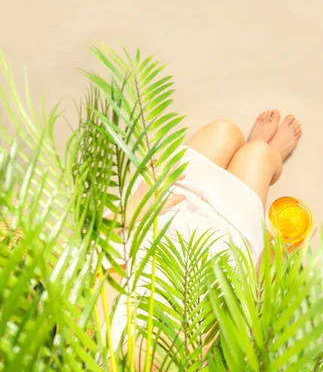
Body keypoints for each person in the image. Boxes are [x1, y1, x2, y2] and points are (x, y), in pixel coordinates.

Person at [102, 110, 303, 367]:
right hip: (215, 265)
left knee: (225, 131)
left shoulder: (63, 343)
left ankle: (258, 154)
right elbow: (234, 339)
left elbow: (70, 253)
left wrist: (130, 210)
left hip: (150, 228)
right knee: (258, 156)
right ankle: (269, 156)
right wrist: (264, 271)